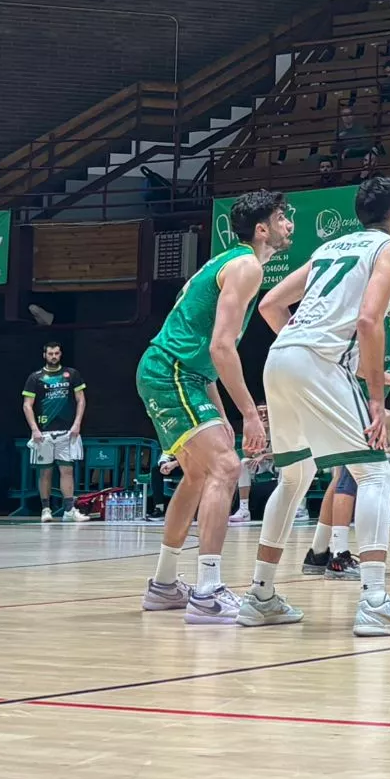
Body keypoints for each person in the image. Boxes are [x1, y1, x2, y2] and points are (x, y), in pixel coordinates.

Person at [250, 176, 390, 636]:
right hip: (317, 362)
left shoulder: (330, 247)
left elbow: (270, 304)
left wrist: (302, 345)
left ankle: (260, 597)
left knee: (294, 477)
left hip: (281, 356)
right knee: (377, 474)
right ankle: (375, 603)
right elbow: (370, 320)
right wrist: (374, 397)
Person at [136, 189, 290, 623]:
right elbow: (221, 348)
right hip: (173, 372)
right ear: (262, 229)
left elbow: (209, 356)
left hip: (180, 373)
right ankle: (208, 592)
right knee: (226, 466)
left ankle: (164, 585)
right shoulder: (246, 267)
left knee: (200, 474)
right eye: (281, 218)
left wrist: (222, 414)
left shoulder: (230, 262)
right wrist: (248, 414)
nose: (288, 225)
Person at [22, 342, 88, 524]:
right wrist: (34, 429)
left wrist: (77, 424)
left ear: (60, 354)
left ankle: (69, 510)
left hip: (67, 432)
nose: (53, 356)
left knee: (67, 470)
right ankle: (45, 509)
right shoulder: (35, 377)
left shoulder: (72, 374)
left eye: (56, 353)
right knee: (45, 472)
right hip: (43, 433)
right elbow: (27, 405)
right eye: (50, 353)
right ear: (44, 355)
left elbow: (81, 400)